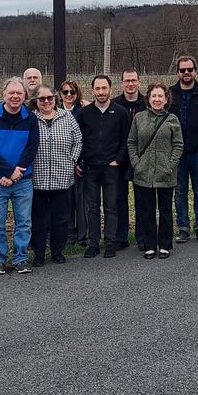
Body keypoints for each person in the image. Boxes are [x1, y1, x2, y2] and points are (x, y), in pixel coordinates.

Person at [0, 77, 40, 275]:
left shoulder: (31, 118)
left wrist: (17, 172)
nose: (15, 96)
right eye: (11, 93)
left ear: (25, 96)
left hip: (22, 180)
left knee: (23, 222)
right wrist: (7, 172)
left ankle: (21, 258)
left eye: (19, 93)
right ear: (4, 94)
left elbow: (32, 147)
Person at [76, 74, 130, 258]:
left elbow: (127, 139)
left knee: (111, 206)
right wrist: (80, 160)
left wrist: (118, 160)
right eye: (97, 89)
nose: (101, 92)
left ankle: (110, 242)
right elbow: (79, 139)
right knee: (92, 207)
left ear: (110, 89)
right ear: (92, 91)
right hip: (90, 167)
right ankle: (93, 243)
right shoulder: (84, 113)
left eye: (104, 88)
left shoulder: (121, 112)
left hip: (111, 167)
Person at [127, 82, 183, 259]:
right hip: (143, 173)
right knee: (147, 210)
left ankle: (165, 244)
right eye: (154, 96)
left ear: (166, 99)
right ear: (148, 99)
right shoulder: (139, 118)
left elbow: (178, 144)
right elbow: (131, 142)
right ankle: (150, 244)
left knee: (165, 210)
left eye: (160, 96)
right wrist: (137, 163)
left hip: (165, 173)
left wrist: (170, 164)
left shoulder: (172, 119)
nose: (157, 99)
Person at [30, 85, 82, 266]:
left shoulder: (67, 117)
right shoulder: (31, 119)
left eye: (49, 98)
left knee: (60, 219)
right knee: (38, 219)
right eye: (42, 99)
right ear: (36, 101)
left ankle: (57, 251)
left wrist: (72, 161)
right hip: (38, 179)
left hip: (62, 177)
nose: (46, 102)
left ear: (55, 98)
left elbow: (78, 140)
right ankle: (38, 253)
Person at [171, 55, 198, 243]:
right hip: (177, 153)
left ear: (196, 71)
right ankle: (183, 227)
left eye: (190, 69)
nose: (186, 73)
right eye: (183, 70)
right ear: (178, 72)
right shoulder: (169, 94)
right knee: (179, 192)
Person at [112, 68, 147, 251]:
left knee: (141, 199)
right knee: (119, 198)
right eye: (127, 81)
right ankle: (121, 236)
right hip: (119, 158)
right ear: (122, 83)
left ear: (139, 82)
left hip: (141, 158)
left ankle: (142, 235)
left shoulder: (147, 103)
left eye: (134, 80)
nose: (131, 84)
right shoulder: (114, 104)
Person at [59, 79, 88, 245]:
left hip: (80, 163)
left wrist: (78, 162)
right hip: (62, 164)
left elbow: (85, 138)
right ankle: (69, 234)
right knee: (66, 201)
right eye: (65, 92)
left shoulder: (83, 111)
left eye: (72, 92)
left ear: (77, 94)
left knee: (81, 199)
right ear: (60, 94)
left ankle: (83, 235)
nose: (69, 95)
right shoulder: (55, 111)